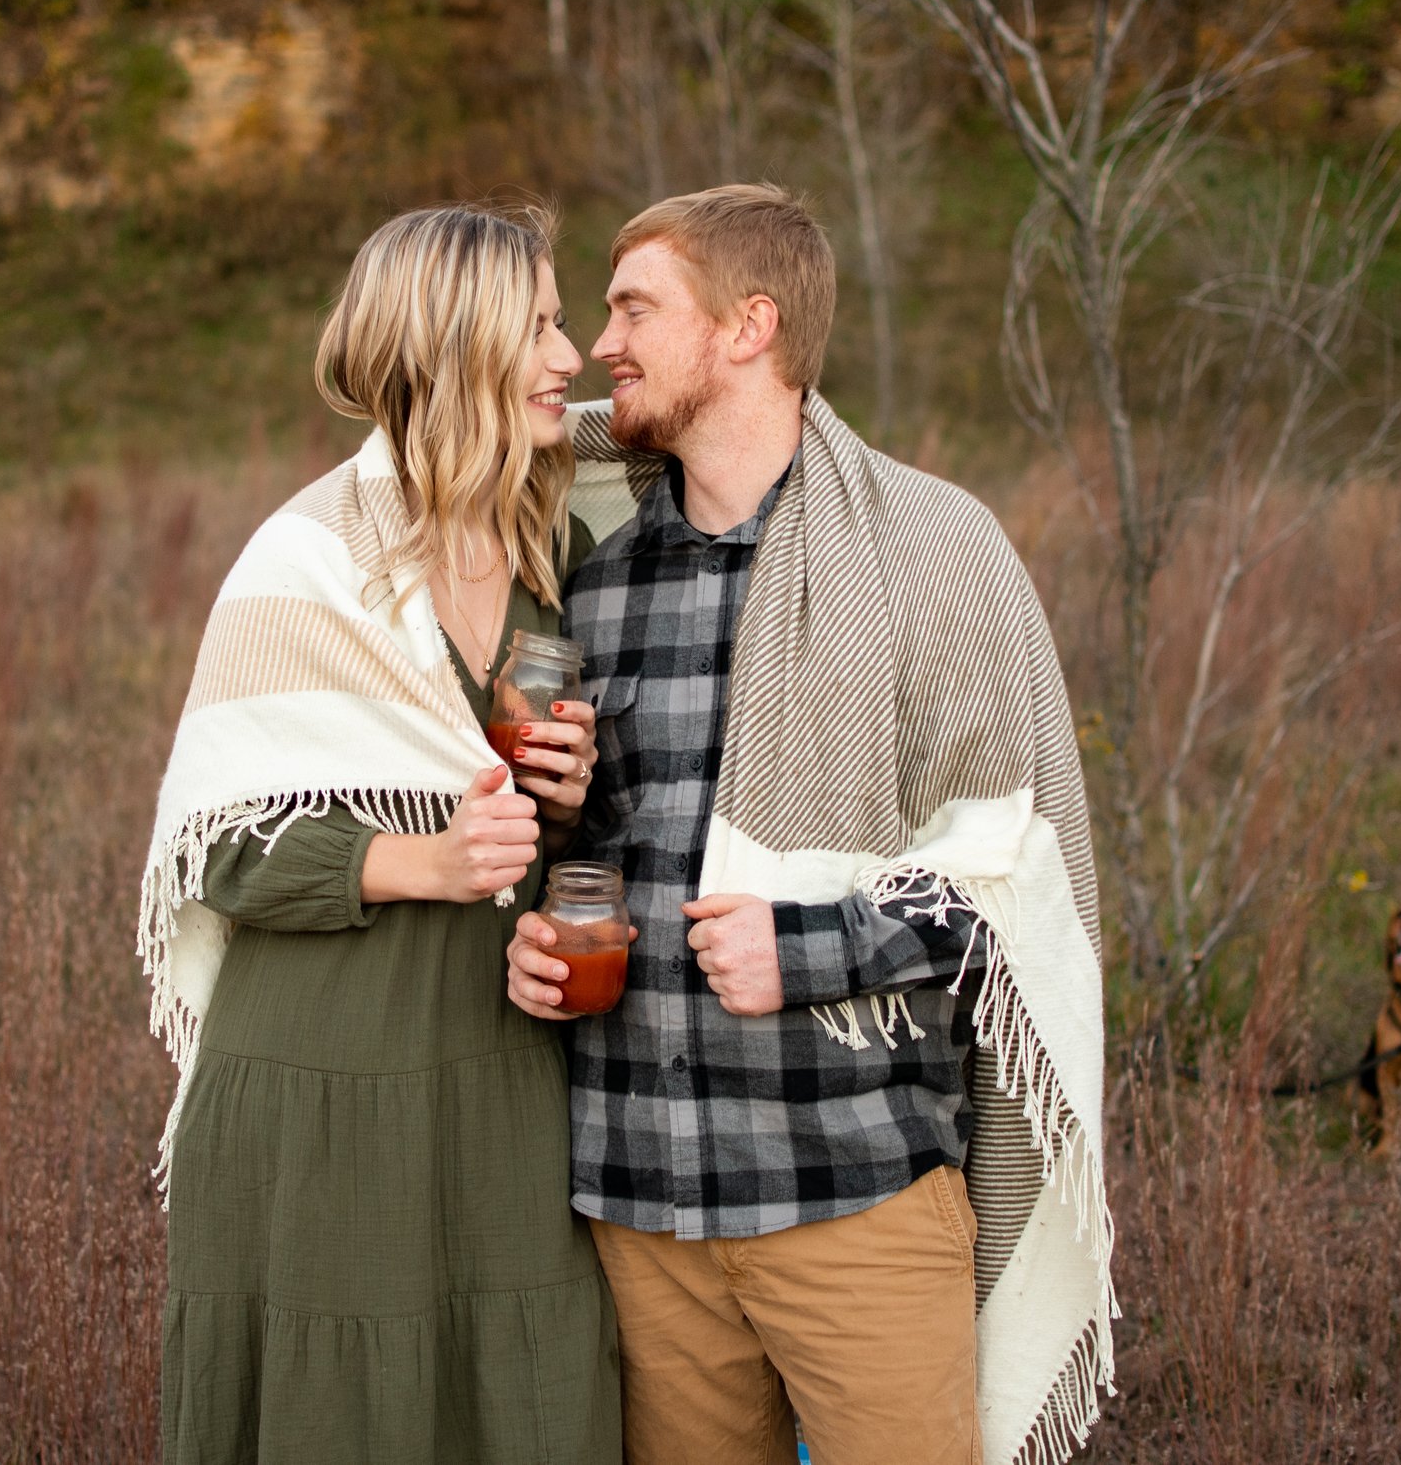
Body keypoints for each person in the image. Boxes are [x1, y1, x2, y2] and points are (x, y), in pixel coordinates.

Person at [504, 186, 1115, 1465]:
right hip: (638, 1202)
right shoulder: (594, 578)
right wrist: (548, 909)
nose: (601, 346)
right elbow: (600, 843)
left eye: (634, 308)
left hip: (851, 1193)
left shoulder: (932, 549)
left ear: (749, 325)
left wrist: (816, 946)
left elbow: (1018, 866)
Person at [141, 204, 621, 1465]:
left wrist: (565, 788)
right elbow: (211, 849)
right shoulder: (305, 564)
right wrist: (413, 860)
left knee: (522, 1391)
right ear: (454, 345)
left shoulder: (549, 551)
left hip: (500, 1068)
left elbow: (522, 816)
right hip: (324, 1080)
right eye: (538, 326)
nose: (569, 357)